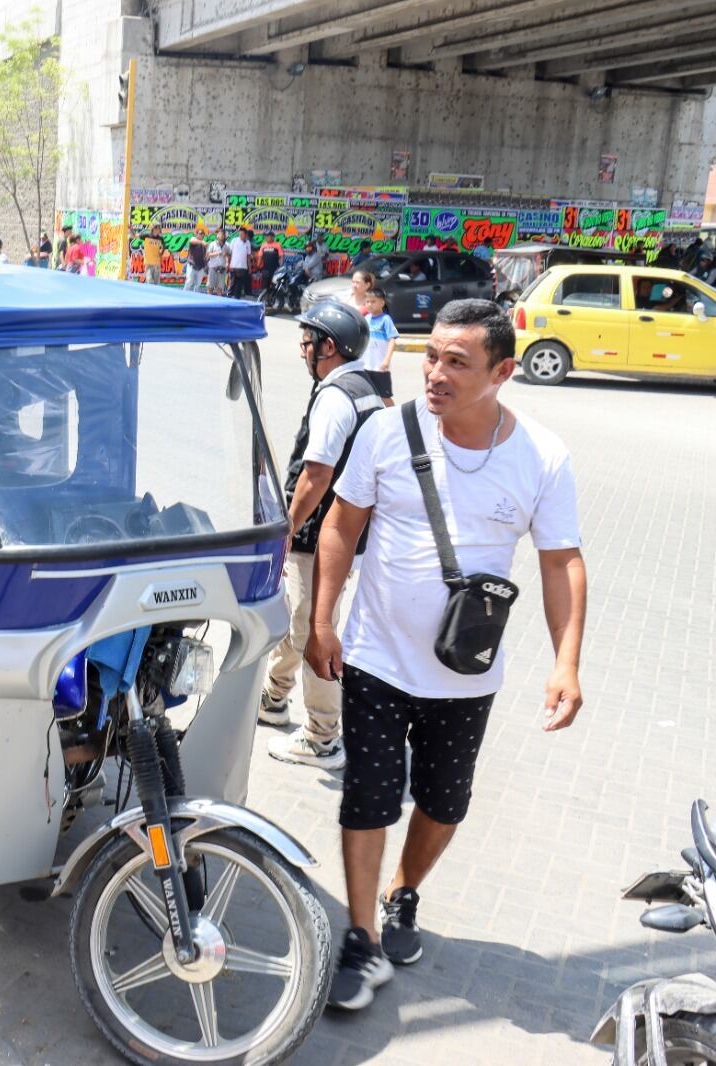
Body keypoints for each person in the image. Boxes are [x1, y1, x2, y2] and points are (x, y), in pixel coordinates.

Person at [306, 298, 586, 1012]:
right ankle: (362, 937)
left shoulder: (541, 457)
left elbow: (561, 562)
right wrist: (322, 619)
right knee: (367, 795)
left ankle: (404, 892)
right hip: (375, 657)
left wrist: (566, 662)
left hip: (465, 674)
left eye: (456, 362)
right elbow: (341, 525)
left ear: (502, 373)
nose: (434, 372)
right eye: (430, 355)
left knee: (443, 801)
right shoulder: (385, 431)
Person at [261, 300, 382, 771]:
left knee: (314, 629)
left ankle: (322, 737)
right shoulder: (366, 387)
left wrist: (287, 527)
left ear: (328, 346)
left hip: (321, 534)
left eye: (307, 341)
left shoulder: (335, 397)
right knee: (300, 616)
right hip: (347, 533)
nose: (302, 350)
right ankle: (274, 697)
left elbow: (316, 475)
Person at [361, 286, 399, 406]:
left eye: (373, 301)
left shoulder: (386, 320)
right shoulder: (366, 319)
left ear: (382, 303)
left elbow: (392, 340)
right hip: (366, 366)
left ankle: (394, 414)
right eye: (367, 301)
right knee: (367, 395)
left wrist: (387, 360)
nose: (369, 304)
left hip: (380, 367)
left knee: (384, 397)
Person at [228, 226, 253, 299]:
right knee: (233, 282)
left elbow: (248, 256)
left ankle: (237, 297)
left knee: (240, 284)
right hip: (234, 266)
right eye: (240, 234)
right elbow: (230, 253)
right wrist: (228, 264)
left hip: (243, 267)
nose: (240, 235)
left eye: (242, 234)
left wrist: (250, 267)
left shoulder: (248, 242)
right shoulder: (234, 240)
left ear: (246, 234)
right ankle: (229, 296)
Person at [205, 230, 227, 295]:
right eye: (220, 234)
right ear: (217, 235)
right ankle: (208, 300)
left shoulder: (227, 245)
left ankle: (219, 300)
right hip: (213, 268)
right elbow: (207, 255)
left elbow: (230, 255)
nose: (222, 236)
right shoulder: (212, 244)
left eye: (223, 234)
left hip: (222, 269)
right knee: (210, 287)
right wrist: (217, 253)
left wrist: (226, 254)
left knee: (220, 289)